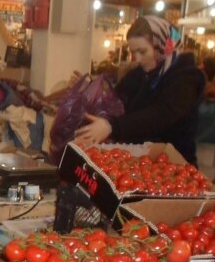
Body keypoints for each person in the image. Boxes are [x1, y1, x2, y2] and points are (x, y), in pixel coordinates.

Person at [73, 15, 206, 166]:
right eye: (133, 52)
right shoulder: (140, 74)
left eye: (142, 52)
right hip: (141, 163)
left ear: (162, 45)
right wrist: (92, 89)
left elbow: (162, 114)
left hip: (174, 166)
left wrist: (112, 127)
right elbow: (116, 99)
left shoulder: (186, 76)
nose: (137, 58)